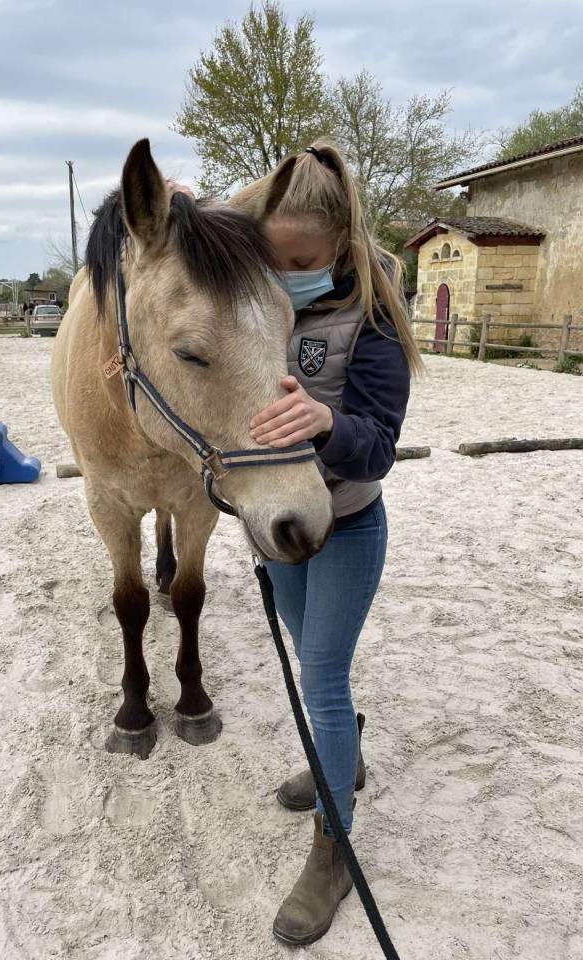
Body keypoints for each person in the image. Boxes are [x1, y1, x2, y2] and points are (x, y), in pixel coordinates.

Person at [168, 143, 422, 946]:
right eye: (272, 260)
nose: (284, 276)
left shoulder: (373, 315)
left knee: (322, 676)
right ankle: (343, 760)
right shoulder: (256, 292)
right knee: (312, 661)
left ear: (341, 243)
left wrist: (325, 423)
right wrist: (175, 204)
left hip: (346, 521)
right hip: (277, 519)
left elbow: (377, 447)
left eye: (303, 263)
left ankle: (333, 849)